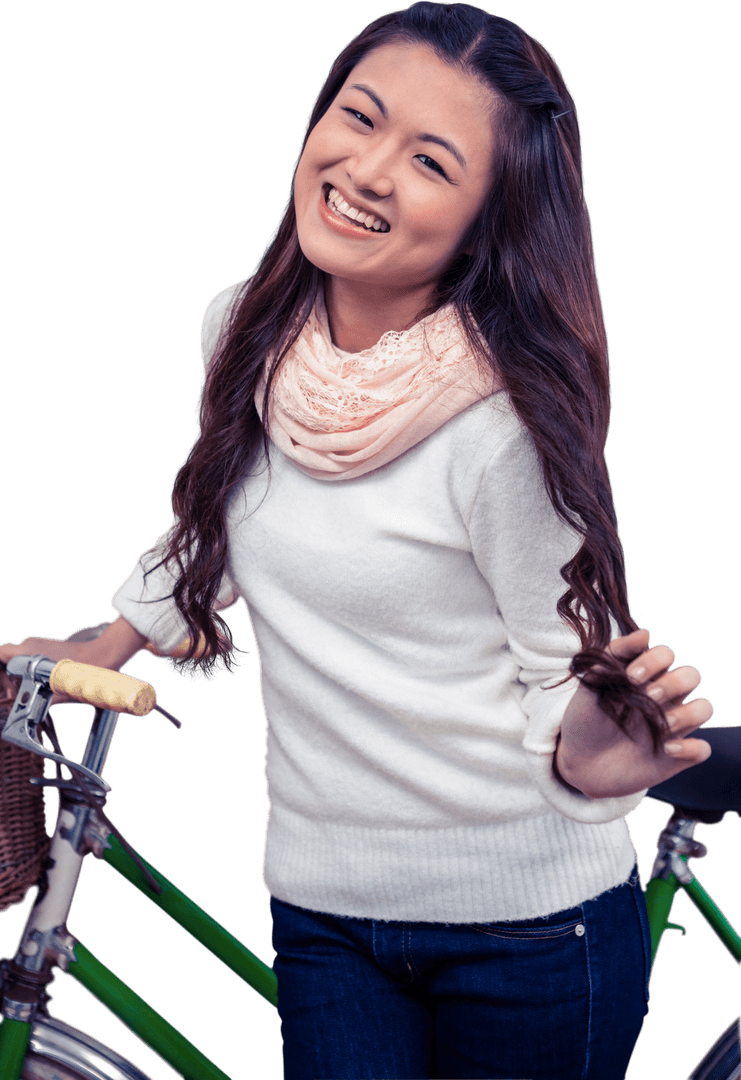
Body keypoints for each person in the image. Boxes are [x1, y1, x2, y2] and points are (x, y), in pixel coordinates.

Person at [0, 4, 714, 1078]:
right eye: (357, 117)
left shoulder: (502, 424)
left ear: (491, 219)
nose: (368, 171)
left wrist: (593, 757)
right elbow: (225, 506)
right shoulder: (243, 328)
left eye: (430, 159)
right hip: (326, 909)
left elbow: (565, 658)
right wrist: (119, 636)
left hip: (525, 928)